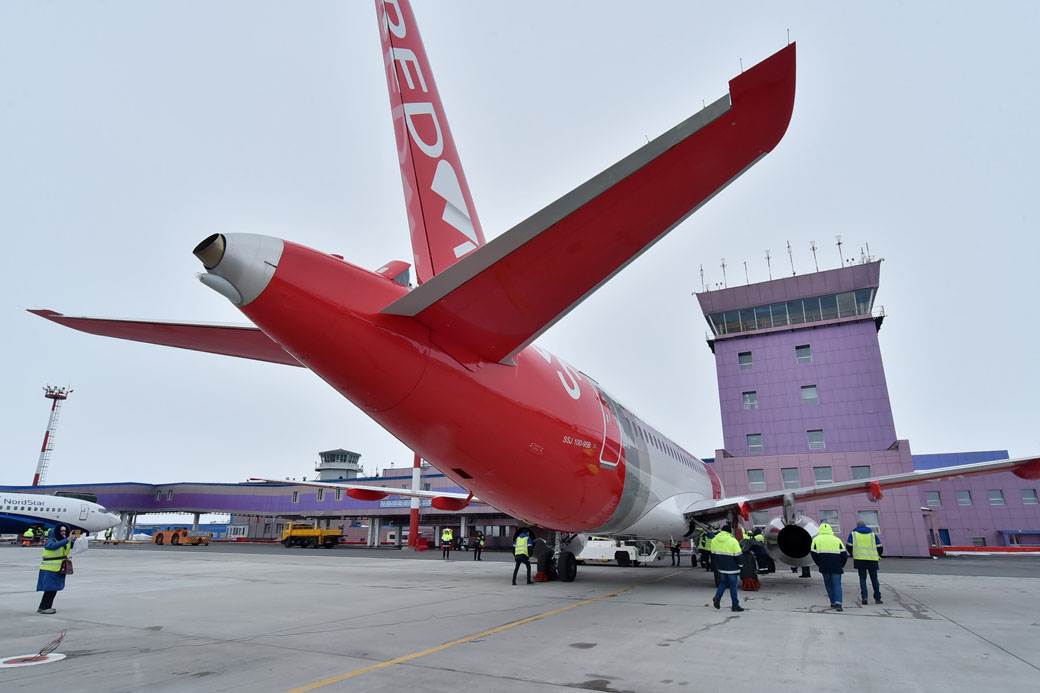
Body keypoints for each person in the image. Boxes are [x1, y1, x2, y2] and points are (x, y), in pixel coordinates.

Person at [809, 523, 848, 611]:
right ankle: (839, 603)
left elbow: (813, 554)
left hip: (824, 566)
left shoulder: (816, 539)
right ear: (830, 530)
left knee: (828, 585)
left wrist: (819, 564)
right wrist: (841, 565)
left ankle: (832, 602)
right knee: (837, 585)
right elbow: (844, 554)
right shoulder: (837, 540)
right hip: (836, 566)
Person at [36, 525, 74, 614]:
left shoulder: (64, 541)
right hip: (49, 568)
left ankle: (43, 607)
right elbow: (52, 546)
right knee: (50, 589)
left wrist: (75, 538)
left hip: (58, 568)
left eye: (65, 531)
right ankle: (45, 607)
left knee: (53, 589)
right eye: (61, 531)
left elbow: (72, 545)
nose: (63, 532)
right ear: (55, 532)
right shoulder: (50, 541)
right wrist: (67, 539)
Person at [847, 521, 884, 605]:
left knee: (862, 579)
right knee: (874, 579)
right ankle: (877, 598)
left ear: (857, 526)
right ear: (865, 526)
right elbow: (879, 546)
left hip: (859, 559)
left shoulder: (853, 534)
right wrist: (878, 555)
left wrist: (853, 554)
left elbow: (849, 546)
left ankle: (864, 598)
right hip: (872, 559)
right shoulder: (872, 534)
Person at [710, 523, 744, 612]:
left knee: (723, 583)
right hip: (732, 568)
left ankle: (717, 598)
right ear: (729, 532)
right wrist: (741, 565)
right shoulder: (733, 541)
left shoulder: (714, 539)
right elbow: (738, 556)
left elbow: (713, 554)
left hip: (721, 567)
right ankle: (735, 605)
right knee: (733, 586)